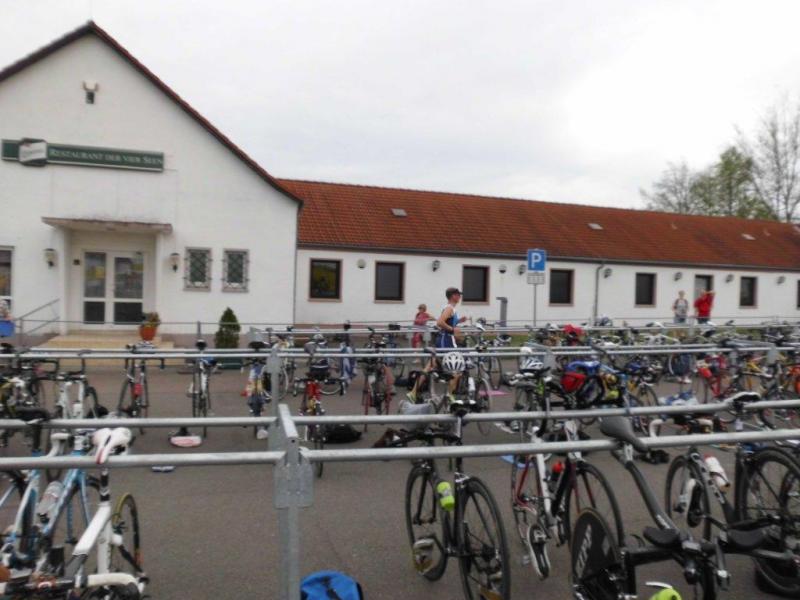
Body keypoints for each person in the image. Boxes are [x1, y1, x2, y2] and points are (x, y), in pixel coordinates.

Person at [406, 287, 467, 402]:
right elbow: (440, 322)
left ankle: (413, 392)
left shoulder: (449, 308)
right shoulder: (449, 308)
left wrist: (459, 321)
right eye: (458, 295)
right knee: (457, 368)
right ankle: (449, 395)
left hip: (443, 339)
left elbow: (447, 322)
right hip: (447, 341)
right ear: (453, 296)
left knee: (430, 366)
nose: (460, 297)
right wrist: (452, 330)